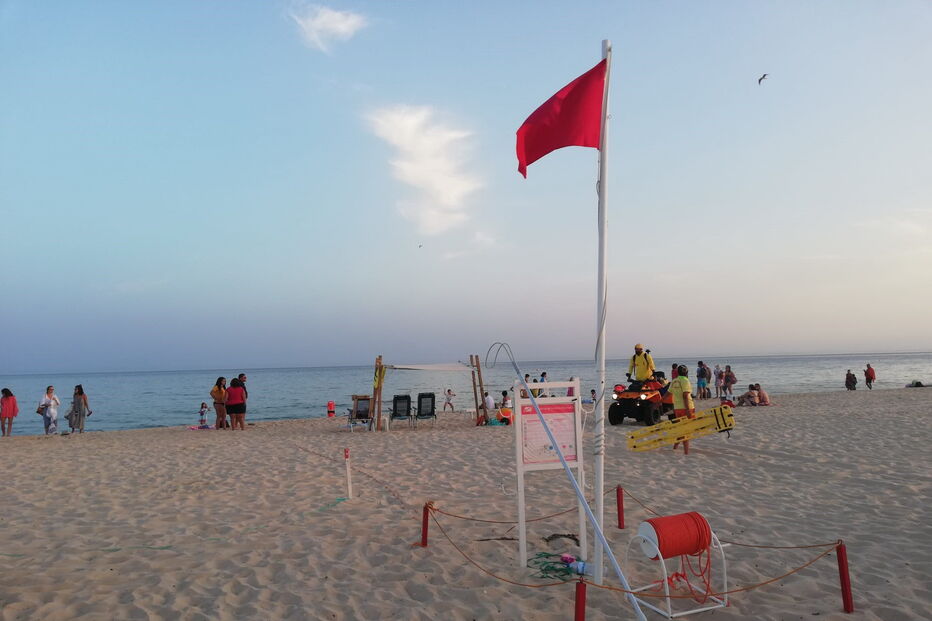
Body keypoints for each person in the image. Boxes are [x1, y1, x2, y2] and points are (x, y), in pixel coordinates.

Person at [669, 365, 695, 454]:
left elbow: (668, 393)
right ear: (686, 372)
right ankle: (686, 452)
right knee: (686, 430)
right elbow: (685, 395)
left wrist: (659, 402)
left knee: (681, 428)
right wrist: (687, 409)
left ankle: (675, 447)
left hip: (677, 408)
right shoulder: (685, 380)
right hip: (686, 408)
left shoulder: (674, 381)